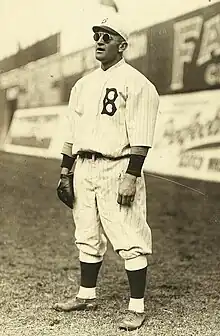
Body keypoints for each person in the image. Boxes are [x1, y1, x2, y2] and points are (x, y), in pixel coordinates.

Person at [54, 15, 159, 331]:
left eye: (107, 37)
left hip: (118, 166)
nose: (99, 41)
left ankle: (137, 307)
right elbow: (71, 131)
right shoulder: (83, 84)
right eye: (97, 35)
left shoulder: (138, 83)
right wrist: (64, 172)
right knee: (85, 232)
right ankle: (86, 295)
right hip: (84, 166)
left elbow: (142, 136)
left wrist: (132, 175)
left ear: (122, 45)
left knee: (129, 235)